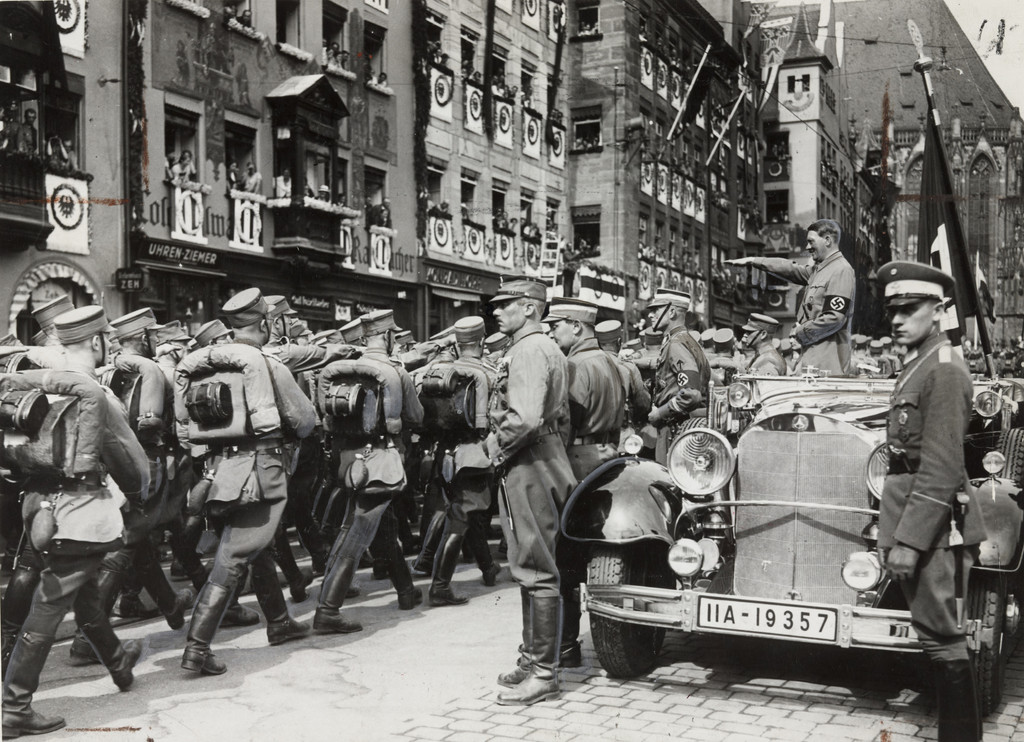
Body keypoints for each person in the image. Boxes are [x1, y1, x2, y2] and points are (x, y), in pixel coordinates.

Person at [1, 306, 149, 738]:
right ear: (98, 342)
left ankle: (119, 664)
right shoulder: (94, 395)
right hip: (82, 516)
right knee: (49, 605)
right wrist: (139, 495)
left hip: (39, 509)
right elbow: (130, 464)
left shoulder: (33, 389)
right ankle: (14, 707)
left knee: (83, 595)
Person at [175, 288, 316, 676]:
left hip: (220, 472)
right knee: (235, 555)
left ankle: (280, 621)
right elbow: (305, 422)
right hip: (260, 471)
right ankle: (197, 647)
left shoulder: (209, 367)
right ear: (266, 323)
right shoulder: (268, 364)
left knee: (258, 545)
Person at [877, 261, 986, 742]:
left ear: (939, 310)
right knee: (934, 636)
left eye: (909, 309)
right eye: (892, 310)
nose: (897, 319)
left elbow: (941, 467)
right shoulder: (919, 363)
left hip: (934, 526)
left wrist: (910, 542)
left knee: (943, 639)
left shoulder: (942, 369)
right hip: (912, 514)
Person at [485, 276, 576, 706]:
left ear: (530, 308)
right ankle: (532, 659)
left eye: (506, 304)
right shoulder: (542, 348)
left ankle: (544, 672)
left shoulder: (528, 350)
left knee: (536, 566)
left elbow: (522, 418)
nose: (496, 311)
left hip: (528, 460)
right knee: (530, 560)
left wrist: (495, 446)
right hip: (542, 457)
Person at [313, 310, 425, 634]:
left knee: (382, 526)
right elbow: (415, 416)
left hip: (348, 459)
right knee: (357, 530)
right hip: (381, 458)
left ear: (363, 339)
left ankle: (405, 591)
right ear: (389, 337)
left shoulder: (339, 371)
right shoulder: (394, 370)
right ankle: (328, 610)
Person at [546, 298, 624, 668]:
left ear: (576, 327)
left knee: (564, 560)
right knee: (595, 550)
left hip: (576, 460)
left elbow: (566, 423)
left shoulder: (575, 365)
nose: (552, 331)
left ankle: (564, 645)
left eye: (557, 324)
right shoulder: (612, 361)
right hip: (609, 456)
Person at [727, 219, 855, 375]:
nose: (807, 247)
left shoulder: (841, 270)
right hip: (813, 361)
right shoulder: (820, 270)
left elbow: (834, 318)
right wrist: (754, 261)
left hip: (829, 365)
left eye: (811, 242)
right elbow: (791, 269)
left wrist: (799, 333)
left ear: (827, 240)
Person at [645, 288, 710, 464]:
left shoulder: (676, 344)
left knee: (667, 484)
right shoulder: (687, 340)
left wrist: (660, 412)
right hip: (682, 428)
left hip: (674, 429)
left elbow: (691, 394)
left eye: (656, 310)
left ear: (671, 312)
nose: (651, 315)